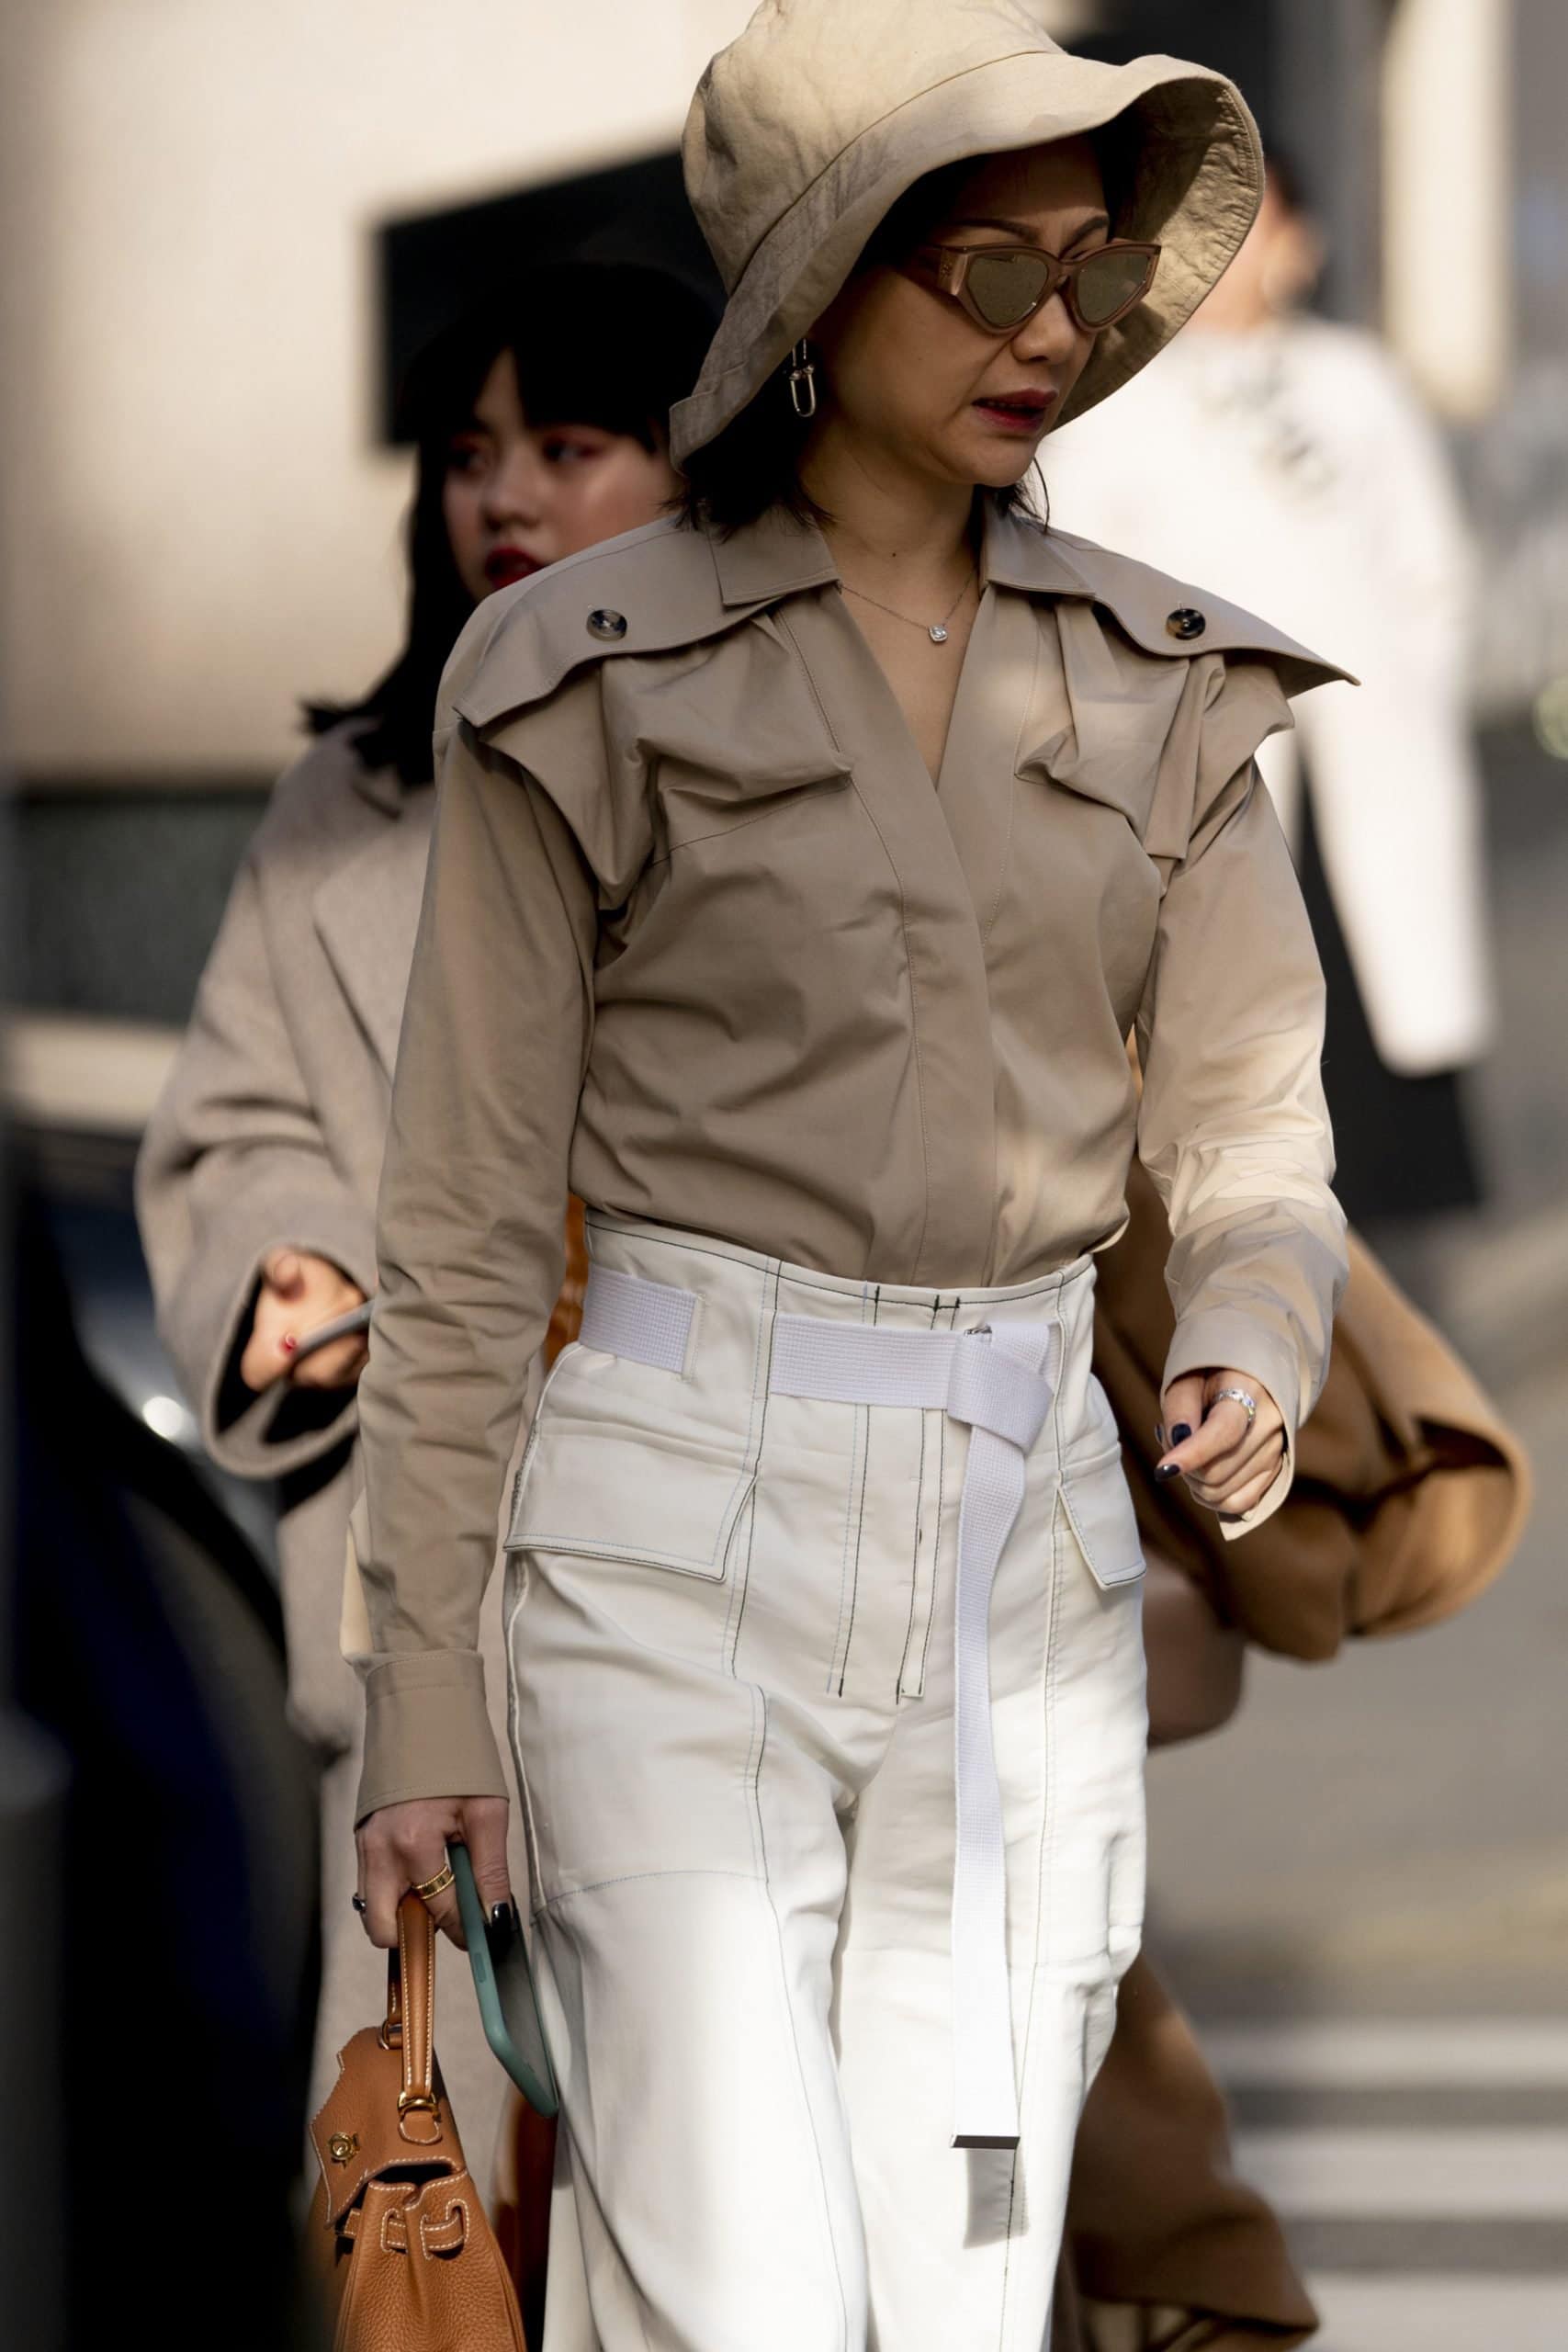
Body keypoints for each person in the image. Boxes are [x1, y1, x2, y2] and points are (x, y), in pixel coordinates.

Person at [349, 5, 1351, 2344]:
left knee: (966, 2293)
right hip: (662, 1541)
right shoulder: (573, 676)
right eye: (982, 268)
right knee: (738, 2296)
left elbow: (1246, 1124)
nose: (1048, 329)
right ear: (816, 285)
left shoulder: (1169, 683)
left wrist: (1249, 1326)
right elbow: (465, 1226)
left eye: (1081, 269)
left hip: (1025, 1553)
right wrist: (425, 1692)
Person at [135, 261, 716, 2193]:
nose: (505, 498)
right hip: (426, 1631)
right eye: (469, 456)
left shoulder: (789, 770)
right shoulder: (349, 801)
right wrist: (290, 1256)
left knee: (725, 2205)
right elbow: (235, 1121)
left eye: (568, 445)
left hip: (724, 1598)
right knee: (429, 2204)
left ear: (695, 464)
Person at [1045, 154, 1494, 1243]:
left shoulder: (1357, 383)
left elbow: (1433, 574)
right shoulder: (1110, 407)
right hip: (1208, 770)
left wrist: (1401, 694)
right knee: (1238, 1070)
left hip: (1371, 762)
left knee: (1381, 1077)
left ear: (1298, 242)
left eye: (1247, 226)